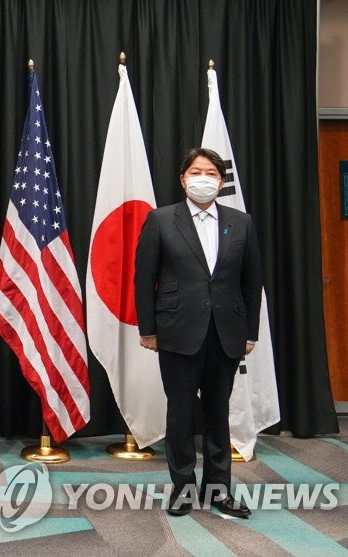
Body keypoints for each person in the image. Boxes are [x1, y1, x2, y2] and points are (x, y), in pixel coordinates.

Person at [134, 147, 263, 519]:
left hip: (226, 332)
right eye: (196, 171)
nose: (203, 178)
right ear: (183, 179)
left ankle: (219, 490)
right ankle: (182, 489)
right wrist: (148, 329)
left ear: (221, 182)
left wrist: (249, 333)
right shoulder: (160, 220)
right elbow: (145, 279)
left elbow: (252, 284)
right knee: (179, 412)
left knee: (218, 413)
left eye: (211, 172)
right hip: (176, 331)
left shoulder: (241, 222)